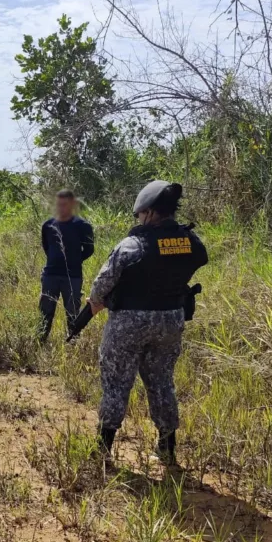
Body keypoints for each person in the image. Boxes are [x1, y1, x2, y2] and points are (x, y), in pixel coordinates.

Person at [87, 180, 208, 466]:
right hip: (171, 320)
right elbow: (198, 260)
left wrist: (96, 301)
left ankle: (102, 450)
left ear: (150, 213)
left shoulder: (132, 245)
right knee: (162, 382)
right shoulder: (189, 241)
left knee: (116, 383)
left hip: (130, 322)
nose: (139, 219)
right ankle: (167, 449)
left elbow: (101, 286)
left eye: (140, 215)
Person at [39, 189, 94, 341]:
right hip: (50, 275)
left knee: (72, 313)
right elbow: (46, 247)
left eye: (65, 205)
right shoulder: (48, 225)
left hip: (73, 276)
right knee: (45, 311)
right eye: (59, 205)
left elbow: (89, 250)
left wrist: (75, 260)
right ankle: (41, 341)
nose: (61, 208)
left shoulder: (83, 226)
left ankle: (73, 342)